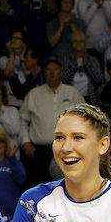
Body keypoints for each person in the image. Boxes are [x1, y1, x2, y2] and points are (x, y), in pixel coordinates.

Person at [19, 57, 83, 186]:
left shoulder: (73, 93)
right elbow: (23, 120)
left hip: (67, 149)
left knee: (66, 187)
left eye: (55, 69)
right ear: (44, 72)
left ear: (61, 72)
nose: (52, 72)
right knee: (38, 188)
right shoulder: (34, 94)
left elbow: (84, 120)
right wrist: (26, 142)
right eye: (48, 69)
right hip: (39, 152)